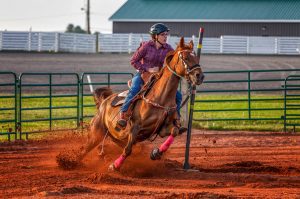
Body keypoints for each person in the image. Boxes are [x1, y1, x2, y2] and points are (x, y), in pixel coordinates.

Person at [117, 23, 186, 133]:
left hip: (158, 77)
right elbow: (134, 61)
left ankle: (176, 119)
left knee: (177, 96)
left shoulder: (168, 48)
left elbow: (176, 60)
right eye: (163, 34)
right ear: (155, 36)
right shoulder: (146, 46)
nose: (165, 37)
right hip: (143, 74)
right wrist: (148, 69)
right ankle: (123, 115)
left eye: (166, 35)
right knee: (134, 89)